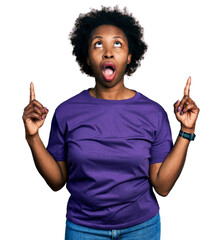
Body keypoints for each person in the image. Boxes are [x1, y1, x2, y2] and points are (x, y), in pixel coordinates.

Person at [22, 6, 200, 240]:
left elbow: (163, 186)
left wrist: (186, 130)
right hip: (83, 228)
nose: (107, 52)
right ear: (86, 57)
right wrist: (33, 137)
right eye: (98, 44)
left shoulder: (153, 113)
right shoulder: (66, 112)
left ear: (129, 56)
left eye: (117, 44)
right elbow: (56, 181)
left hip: (141, 227)